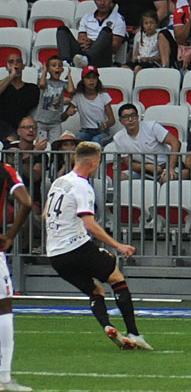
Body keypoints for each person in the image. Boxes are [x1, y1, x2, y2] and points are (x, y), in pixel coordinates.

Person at [45, 141, 152, 350]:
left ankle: (108, 326)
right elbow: (90, 225)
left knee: (96, 290)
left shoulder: (59, 182)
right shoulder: (83, 186)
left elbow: (45, 214)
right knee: (117, 278)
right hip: (76, 247)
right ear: (93, 163)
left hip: (55, 254)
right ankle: (134, 333)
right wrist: (118, 245)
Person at [0, 158, 34, 391]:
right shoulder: (5, 170)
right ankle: (3, 377)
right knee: (4, 306)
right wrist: (10, 235)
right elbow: (27, 202)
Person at [111, 103, 184, 182]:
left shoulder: (152, 126)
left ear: (138, 117)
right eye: (126, 117)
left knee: (167, 178)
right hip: (142, 169)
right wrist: (148, 167)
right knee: (120, 177)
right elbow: (129, 164)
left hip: (165, 165)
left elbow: (175, 143)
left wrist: (170, 168)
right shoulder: (118, 138)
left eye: (133, 115)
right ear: (120, 120)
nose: (130, 119)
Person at [58, 0, 126, 69]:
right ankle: (66, 62)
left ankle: (87, 59)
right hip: (82, 54)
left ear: (111, 0)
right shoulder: (87, 17)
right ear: (95, 1)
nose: (102, 3)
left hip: (103, 57)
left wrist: (93, 44)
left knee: (106, 31)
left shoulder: (118, 19)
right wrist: (85, 43)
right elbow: (81, 38)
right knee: (62, 30)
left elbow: (114, 47)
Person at [70, 66, 115, 145]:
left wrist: (105, 125)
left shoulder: (104, 95)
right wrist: (69, 112)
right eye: (88, 78)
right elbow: (67, 113)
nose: (91, 81)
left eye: (94, 78)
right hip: (85, 131)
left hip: (103, 132)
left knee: (96, 140)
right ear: (83, 80)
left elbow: (112, 120)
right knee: (77, 139)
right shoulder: (77, 96)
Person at [35, 55, 72, 142]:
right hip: (41, 121)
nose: (57, 68)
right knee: (41, 144)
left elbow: (71, 90)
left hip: (55, 122)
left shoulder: (63, 84)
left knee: (55, 144)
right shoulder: (46, 82)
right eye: (54, 66)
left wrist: (69, 76)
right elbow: (42, 84)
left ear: (62, 70)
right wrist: (44, 71)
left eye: (60, 66)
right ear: (48, 69)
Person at [0, 53, 39, 134]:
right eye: (11, 62)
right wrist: (12, 76)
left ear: (23, 66)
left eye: (18, 62)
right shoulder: (3, 85)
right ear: (7, 67)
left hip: (22, 128)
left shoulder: (32, 89)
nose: (15, 64)